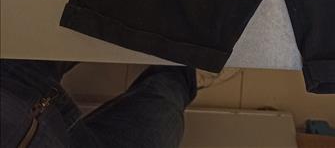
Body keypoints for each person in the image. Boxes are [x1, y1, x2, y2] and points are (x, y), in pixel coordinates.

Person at [1, 59, 197, 147]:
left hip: (13, 91)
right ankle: (186, 64)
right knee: (166, 106)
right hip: (22, 114)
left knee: (84, 15)